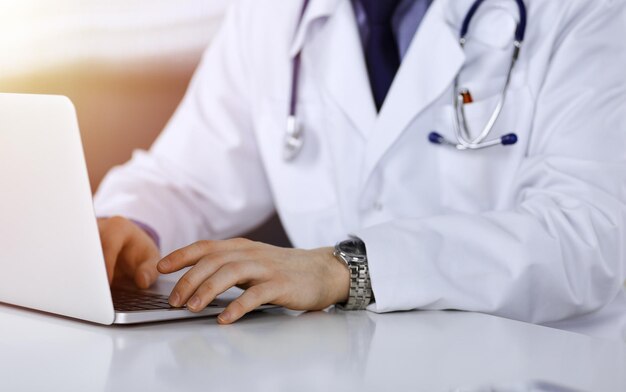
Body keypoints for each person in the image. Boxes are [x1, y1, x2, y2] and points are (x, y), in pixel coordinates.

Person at [94, 0, 626, 339]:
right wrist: (130, 227)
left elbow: (589, 232)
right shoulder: (273, 14)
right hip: (352, 364)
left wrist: (345, 269)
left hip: (545, 366)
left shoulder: (584, 11)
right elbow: (186, 179)